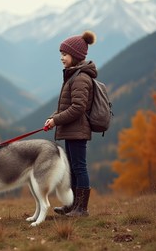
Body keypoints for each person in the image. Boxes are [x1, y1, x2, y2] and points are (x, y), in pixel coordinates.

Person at [44, 30, 97, 217]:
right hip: (71, 130)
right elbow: (66, 105)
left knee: (79, 168)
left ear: (75, 56)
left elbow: (77, 108)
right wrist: (53, 118)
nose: (61, 58)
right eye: (61, 54)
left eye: (64, 54)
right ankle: (73, 205)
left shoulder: (81, 78)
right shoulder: (73, 75)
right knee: (73, 168)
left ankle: (81, 208)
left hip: (78, 131)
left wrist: (56, 120)